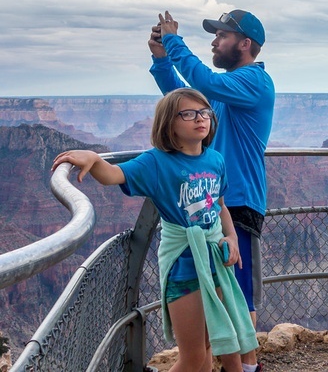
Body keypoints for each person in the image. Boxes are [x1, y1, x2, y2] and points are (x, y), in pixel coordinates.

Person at [52, 88, 257, 372]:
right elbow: (115, 175)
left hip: (216, 263)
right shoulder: (157, 162)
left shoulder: (216, 160)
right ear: (168, 123)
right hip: (184, 268)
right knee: (193, 356)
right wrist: (95, 159)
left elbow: (221, 206)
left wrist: (231, 237)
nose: (200, 118)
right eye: (188, 114)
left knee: (209, 348)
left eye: (204, 112)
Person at [148, 9, 274, 372]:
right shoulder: (223, 92)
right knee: (218, 292)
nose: (215, 42)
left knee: (239, 294)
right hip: (209, 201)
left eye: (222, 36)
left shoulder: (254, 81)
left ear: (245, 44)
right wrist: (161, 61)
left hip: (237, 203)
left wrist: (173, 41)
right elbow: (183, 102)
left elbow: (201, 78)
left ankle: (249, 367)